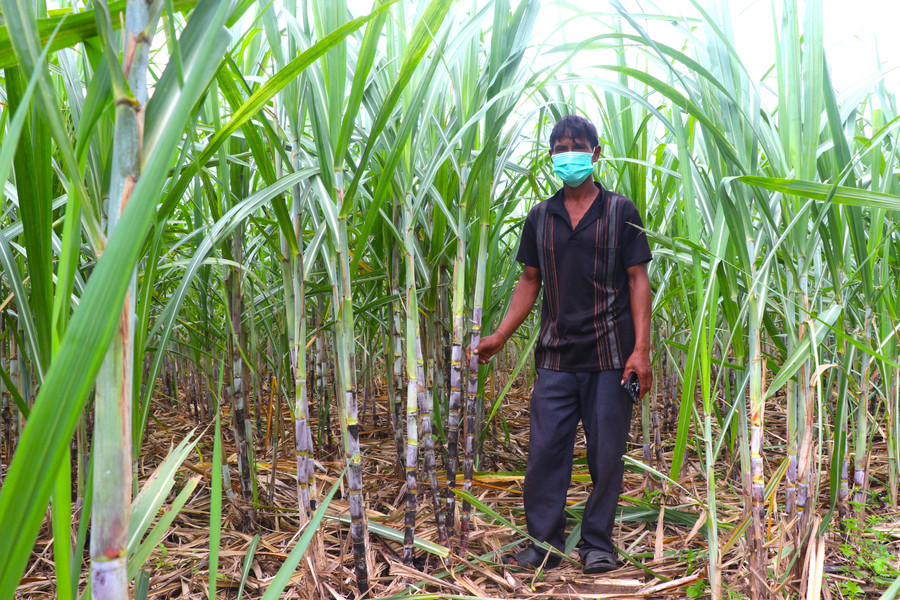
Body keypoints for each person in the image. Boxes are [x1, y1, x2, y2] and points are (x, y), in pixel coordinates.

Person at [474, 114, 652, 574]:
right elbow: (529, 280)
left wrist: (641, 350)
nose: (566, 153)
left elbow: (638, 281)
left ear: (595, 153)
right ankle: (544, 544)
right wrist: (499, 334)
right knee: (546, 452)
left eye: (575, 145)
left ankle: (597, 544)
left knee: (605, 456)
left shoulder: (619, 211)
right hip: (555, 356)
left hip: (611, 357)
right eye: (558, 147)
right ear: (551, 156)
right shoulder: (541, 216)